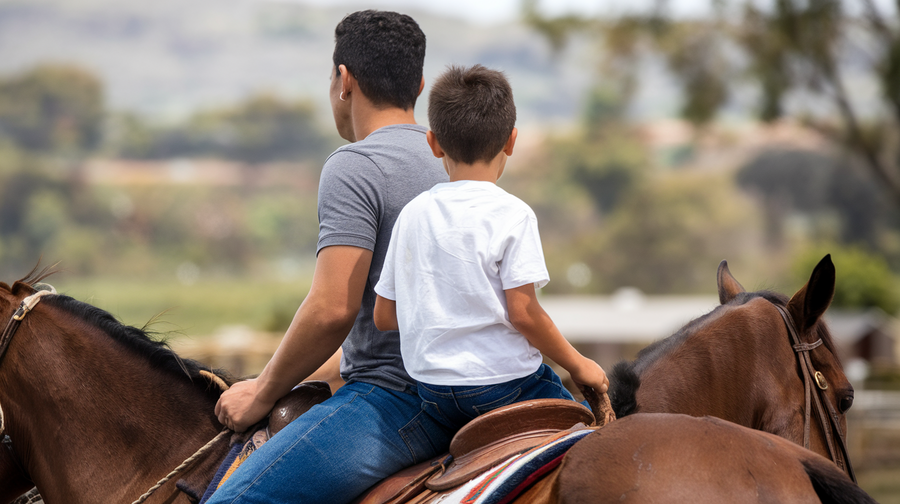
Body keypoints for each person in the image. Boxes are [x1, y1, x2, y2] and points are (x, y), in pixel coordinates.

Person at [208, 10, 452, 504]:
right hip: (480, 389)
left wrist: (261, 393)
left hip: (399, 402)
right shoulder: (455, 158)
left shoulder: (355, 166)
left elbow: (332, 309)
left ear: (344, 81)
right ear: (420, 84)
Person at [373, 65, 609, 432]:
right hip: (504, 387)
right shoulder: (513, 214)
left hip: (432, 392)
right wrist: (580, 365)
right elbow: (525, 314)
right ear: (511, 141)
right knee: (590, 437)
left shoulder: (412, 213)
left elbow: (383, 316)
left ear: (434, 143)